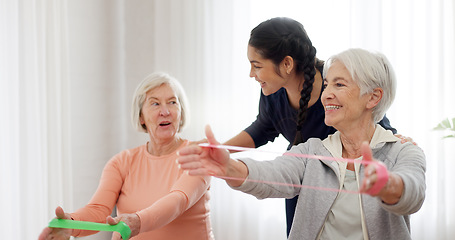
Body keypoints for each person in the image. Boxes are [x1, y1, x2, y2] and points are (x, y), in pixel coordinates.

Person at [178, 48, 426, 240]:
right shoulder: (312, 151)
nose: (326, 93)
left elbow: (412, 193)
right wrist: (229, 168)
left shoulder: (404, 151)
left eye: (339, 84)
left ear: (373, 97)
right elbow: (273, 175)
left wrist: (387, 184)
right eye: (327, 84)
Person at [223, 17, 406, 235]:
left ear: (287, 64)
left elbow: (373, 124)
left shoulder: (336, 95)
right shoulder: (272, 93)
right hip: (300, 179)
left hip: (349, 187)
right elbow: (262, 130)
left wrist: (398, 143)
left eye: (257, 66)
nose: (252, 74)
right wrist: (217, 151)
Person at [39, 72, 214, 240]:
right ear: (141, 117)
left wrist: (138, 221)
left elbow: (177, 202)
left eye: (172, 102)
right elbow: (99, 210)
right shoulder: (122, 162)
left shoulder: (198, 153)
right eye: (155, 104)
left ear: (181, 112)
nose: (165, 111)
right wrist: (70, 225)